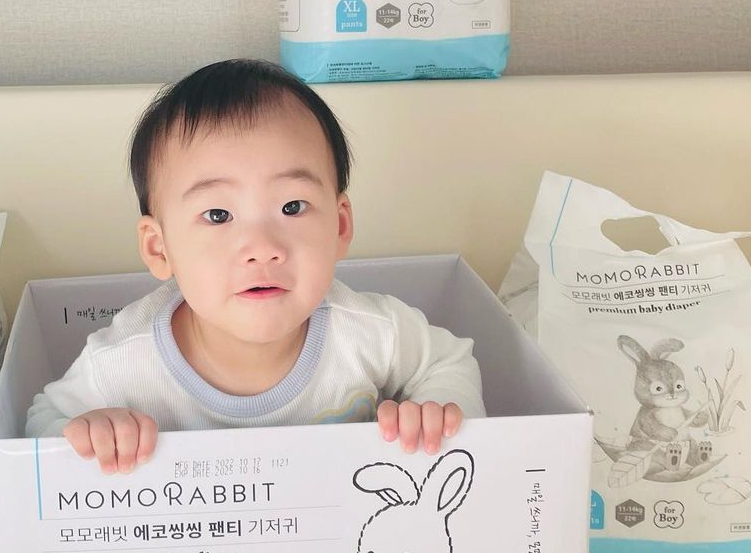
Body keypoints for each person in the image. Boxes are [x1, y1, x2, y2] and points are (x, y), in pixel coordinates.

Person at [26, 59, 484, 471]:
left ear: (340, 225)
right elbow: (43, 421)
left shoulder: (370, 332)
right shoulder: (124, 361)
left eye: (292, 207)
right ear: (159, 249)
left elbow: (447, 363)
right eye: (218, 215)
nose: (262, 248)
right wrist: (90, 433)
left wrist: (434, 411)